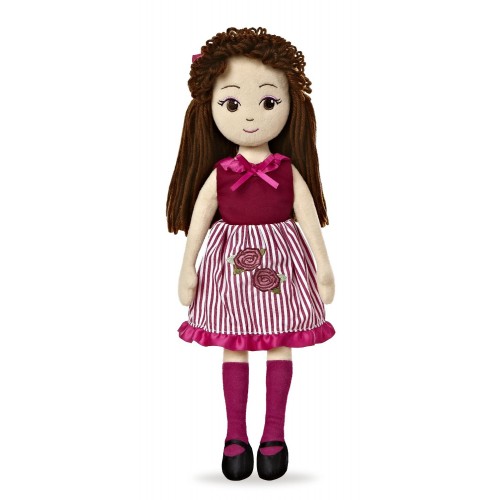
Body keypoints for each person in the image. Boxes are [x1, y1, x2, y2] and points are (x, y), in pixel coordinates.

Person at [166, 27, 335, 481]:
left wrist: (323, 267)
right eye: (231, 104)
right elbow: (199, 219)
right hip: (229, 267)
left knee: (280, 341)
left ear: (289, 104)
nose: (251, 117)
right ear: (211, 107)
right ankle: (236, 436)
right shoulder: (221, 173)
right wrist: (187, 267)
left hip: (282, 264)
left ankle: (274, 434)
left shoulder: (287, 170)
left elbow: (308, 219)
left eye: (268, 101)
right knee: (234, 345)